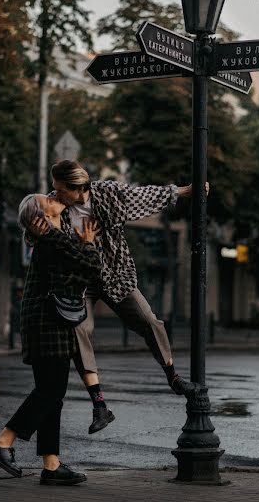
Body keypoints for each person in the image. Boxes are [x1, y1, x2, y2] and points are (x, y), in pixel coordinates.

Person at [46, 160, 208, 399]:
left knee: (149, 320)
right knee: (80, 329)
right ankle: (98, 401)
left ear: (78, 188)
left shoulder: (108, 194)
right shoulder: (53, 204)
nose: (57, 194)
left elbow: (142, 195)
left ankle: (173, 376)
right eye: (55, 189)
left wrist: (185, 191)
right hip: (80, 281)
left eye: (61, 190)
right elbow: (37, 227)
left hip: (115, 274)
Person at [0, 193, 102, 486]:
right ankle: (2, 441)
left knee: (52, 395)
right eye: (46, 199)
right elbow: (92, 267)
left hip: (46, 322)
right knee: (50, 391)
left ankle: (51, 465)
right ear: (41, 217)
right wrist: (87, 244)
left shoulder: (51, 239)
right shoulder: (52, 238)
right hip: (48, 323)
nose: (52, 196)